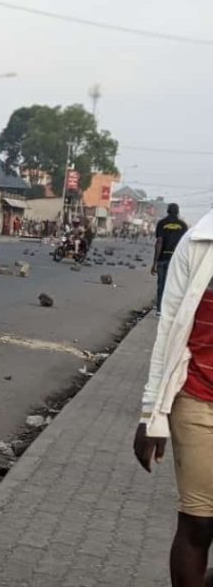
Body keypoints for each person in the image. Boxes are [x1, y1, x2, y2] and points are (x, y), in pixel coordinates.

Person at [133, 208, 213, 587]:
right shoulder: (198, 241)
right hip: (198, 401)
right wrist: (151, 413)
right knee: (199, 523)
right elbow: (168, 327)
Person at [153, 203, 190, 315]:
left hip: (162, 259)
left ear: (168, 211)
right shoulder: (183, 225)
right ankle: (168, 310)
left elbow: (159, 242)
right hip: (176, 260)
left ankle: (159, 309)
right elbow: (185, 245)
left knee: (161, 284)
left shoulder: (161, 223)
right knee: (173, 285)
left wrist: (154, 262)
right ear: (177, 212)